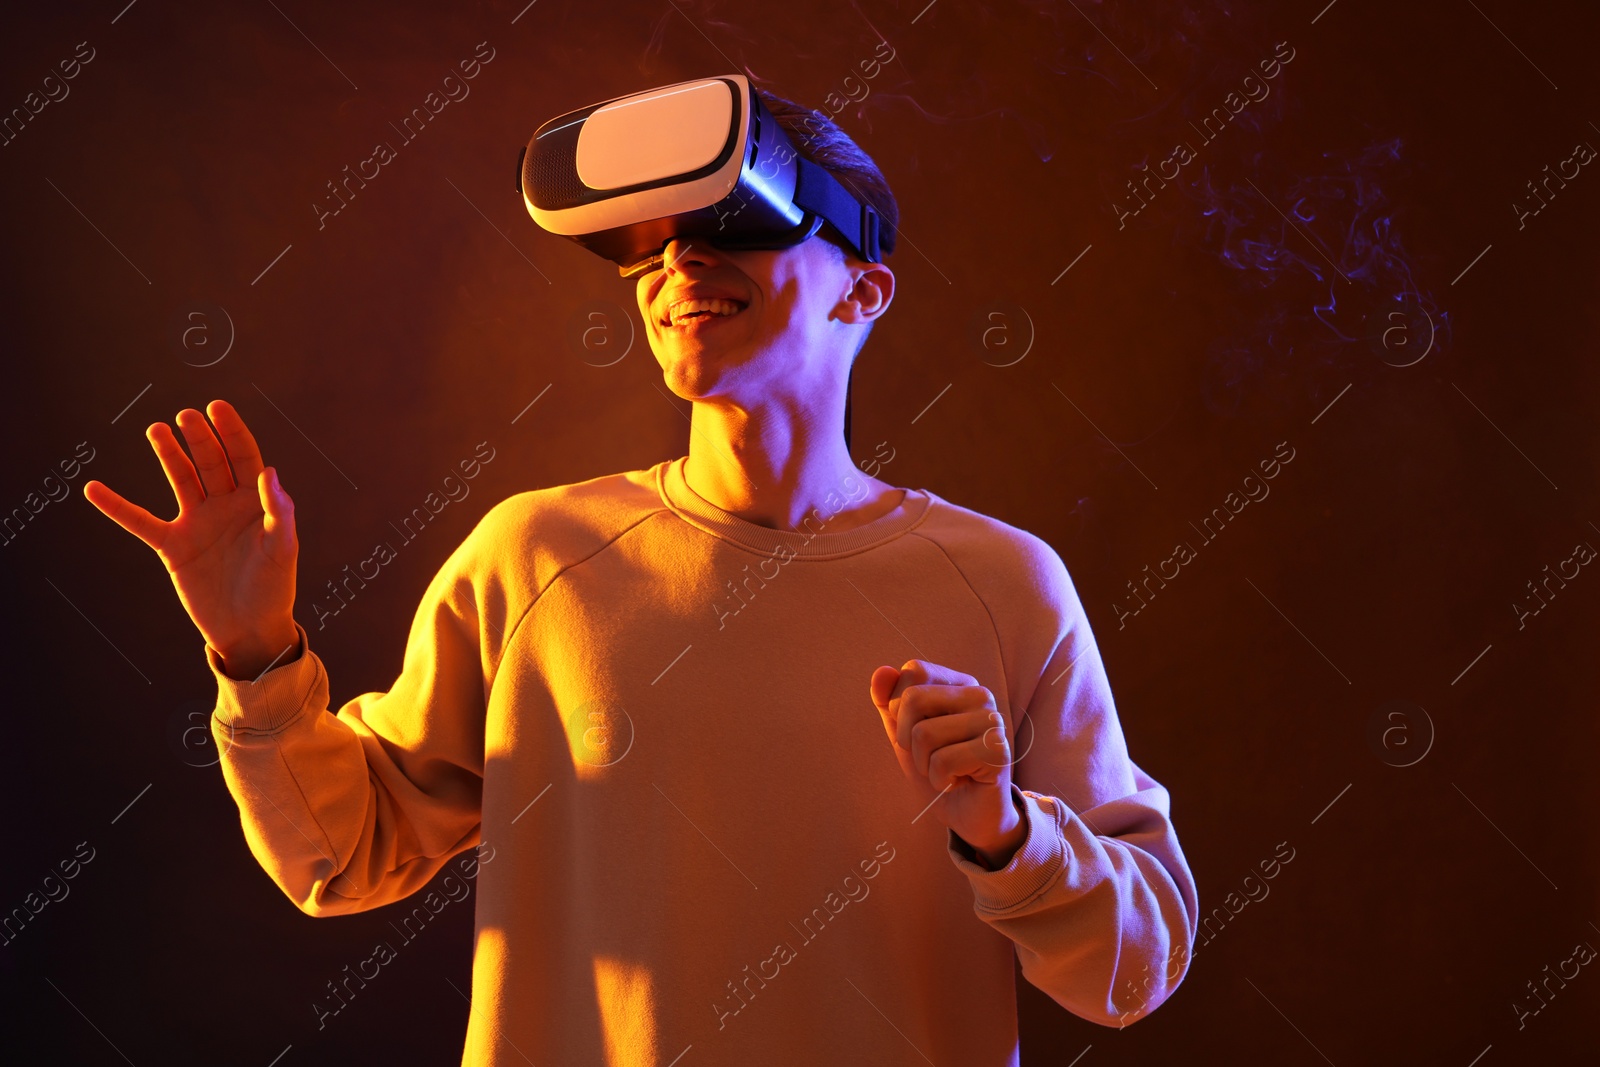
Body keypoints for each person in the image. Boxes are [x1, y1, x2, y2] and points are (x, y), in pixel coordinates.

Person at [83, 89, 1197, 1066]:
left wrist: (1006, 829)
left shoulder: (1006, 581)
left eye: (733, 224)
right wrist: (256, 653)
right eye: (649, 243)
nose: (678, 263)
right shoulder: (533, 556)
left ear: (863, 292)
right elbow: (346, 856)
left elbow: (1132, 971)